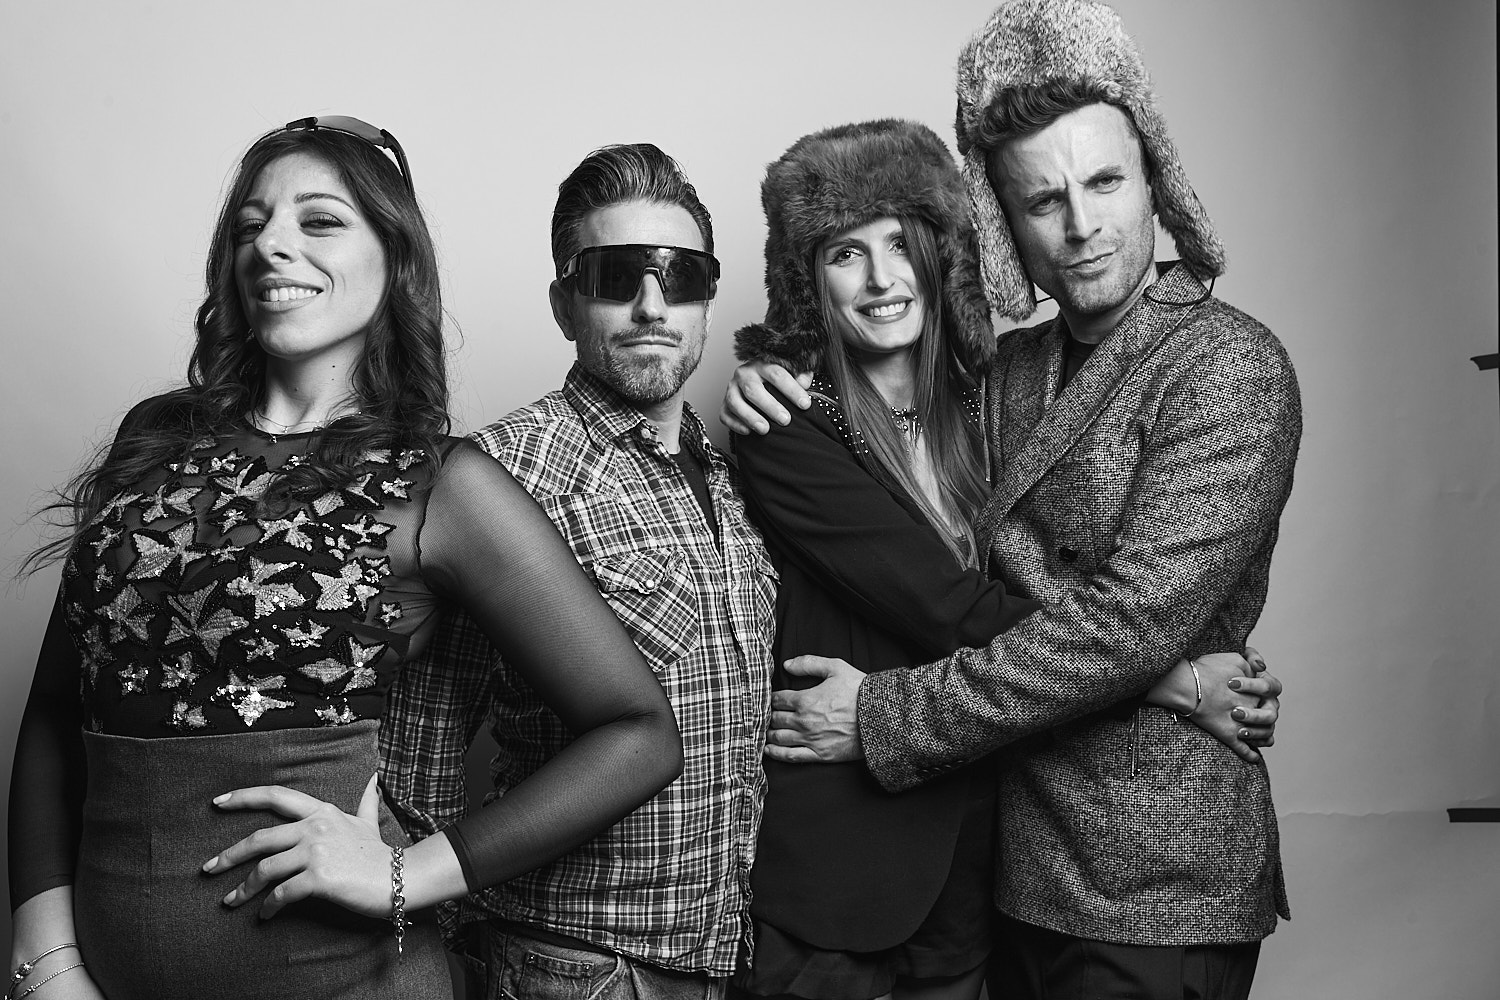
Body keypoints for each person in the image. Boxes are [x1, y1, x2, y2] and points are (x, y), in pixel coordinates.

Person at [6, 117, 683, 1000]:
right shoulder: (155, 436)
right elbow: (53, 714)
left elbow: (638, 732)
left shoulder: (436, 483)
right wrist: (44, 958)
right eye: (251, 227)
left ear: (393, 260)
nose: (271, 245)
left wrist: (411, 874)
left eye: (320, 221)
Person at [724, 120, 1282, 1000]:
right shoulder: (785, 425)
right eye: (844, 254)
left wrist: (1148, 650)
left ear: (941, 258)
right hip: (843, 864)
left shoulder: (986, 400)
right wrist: (1174, 681)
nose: (881, 279)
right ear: (807, 282)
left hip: (988, 863)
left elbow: (1096, 595)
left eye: (900, 245)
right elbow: (946, 606)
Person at [379, 143, 777, 1000]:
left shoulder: (730, 480)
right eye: (615, 276)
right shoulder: (500, 476)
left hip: (720, 961)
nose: (651, 305)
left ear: (708, 299)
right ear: (565, 303)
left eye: (681, 276)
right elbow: (415, 764)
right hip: (573, 967)